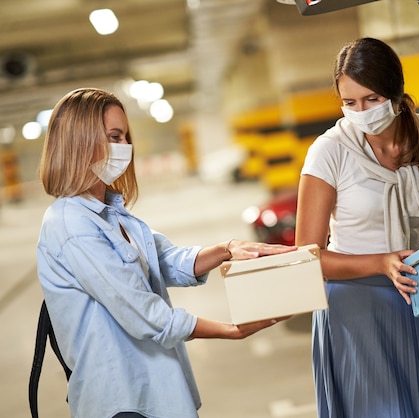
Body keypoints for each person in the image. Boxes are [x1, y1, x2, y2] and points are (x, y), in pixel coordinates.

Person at [36, 87, 296, 418]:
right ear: (79, 141)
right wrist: (231, 329)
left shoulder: (112, 212)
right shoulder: (71, 226)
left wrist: (227, 250)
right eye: (114, 137)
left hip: (156, 391)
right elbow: (145, 315)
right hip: (123, 401)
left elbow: (165, 261)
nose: (125, 147)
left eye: (125, 137)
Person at [295, 38, 419, 418]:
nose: (360, 111)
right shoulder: (329, 150)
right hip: (354, 308)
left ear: (396, 92)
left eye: (371, 99)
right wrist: (380, 263)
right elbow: (307, 255)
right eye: (349, 102)